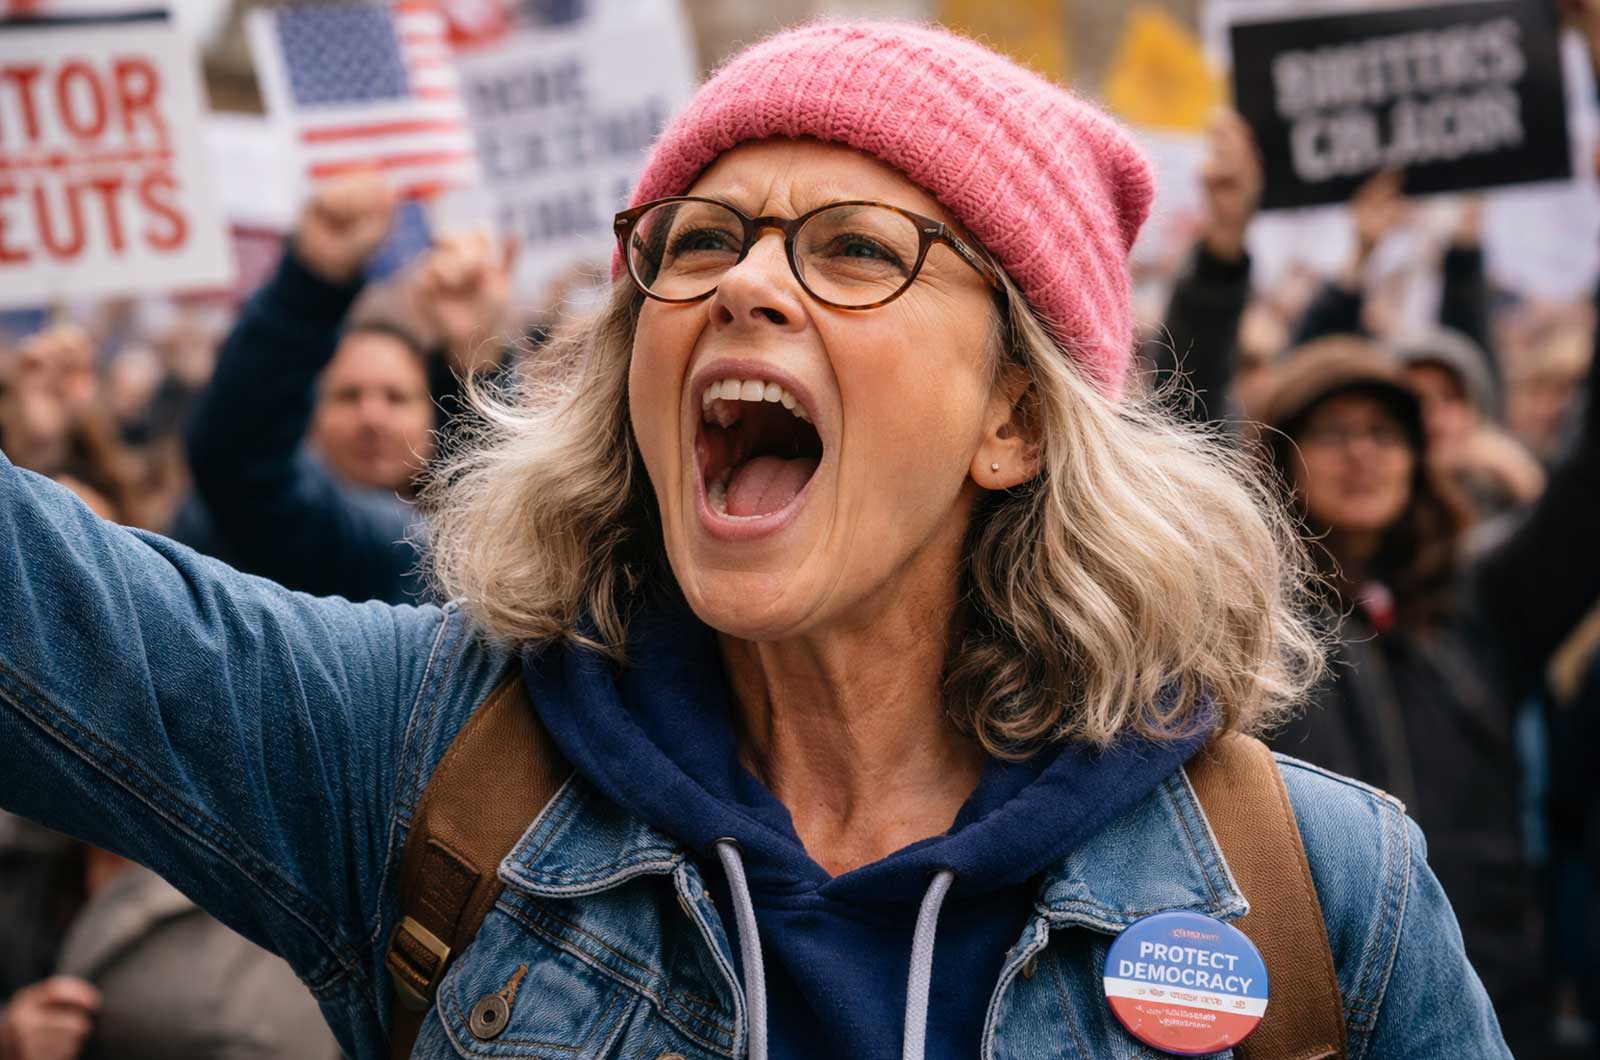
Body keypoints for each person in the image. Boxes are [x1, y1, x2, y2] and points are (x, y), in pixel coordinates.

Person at [0, 20, 1510, 1060]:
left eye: (855, 248)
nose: (743, 284)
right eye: (700, 239)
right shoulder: (422, 760)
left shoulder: (1317, 893)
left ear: (1015, 418)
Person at [1251, 334, 1600, 1056]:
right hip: (1308, 1002)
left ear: (1417, 457)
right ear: (1282, 455)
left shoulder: (1484, 604)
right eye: (1333, 432)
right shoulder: (1244, 623)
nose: (1362, 454)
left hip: (1488, 992)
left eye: (1385, 433)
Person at [180, 179, 513, 603]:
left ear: (433, 416)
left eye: (396, 397)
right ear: (308, 415)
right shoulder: (288, 532)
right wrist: (309, 286)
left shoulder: (482, 542)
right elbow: (238, 454)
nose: (372, 417)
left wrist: (478, 363)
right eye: (348, 396)